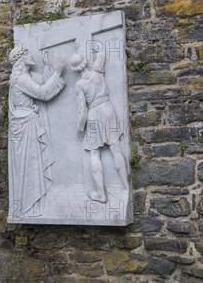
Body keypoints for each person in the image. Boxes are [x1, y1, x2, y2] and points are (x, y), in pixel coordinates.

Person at [8, 44, 65, 218]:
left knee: (32, 165)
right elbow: (42, 93)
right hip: (25, 129)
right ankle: (28, 207)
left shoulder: (26, 76)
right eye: (27, 54)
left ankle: (31, 206)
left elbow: (41, 81)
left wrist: (48, 66)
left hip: (27, 126)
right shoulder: (21, 80)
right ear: (20, 59)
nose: (31, 56)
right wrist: (57, 73)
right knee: (29, 167)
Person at [70, 42, 128, 203]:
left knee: (94, 154)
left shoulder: (79, 85)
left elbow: (82, 110)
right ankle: (126, 186)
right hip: (107, 109)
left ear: (74, 69)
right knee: (116, 149)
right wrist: (95, 47)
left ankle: (101, 195)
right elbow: (102, 53)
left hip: (94, 115)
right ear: (85, 63)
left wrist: (80, 129)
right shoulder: (97, 71)